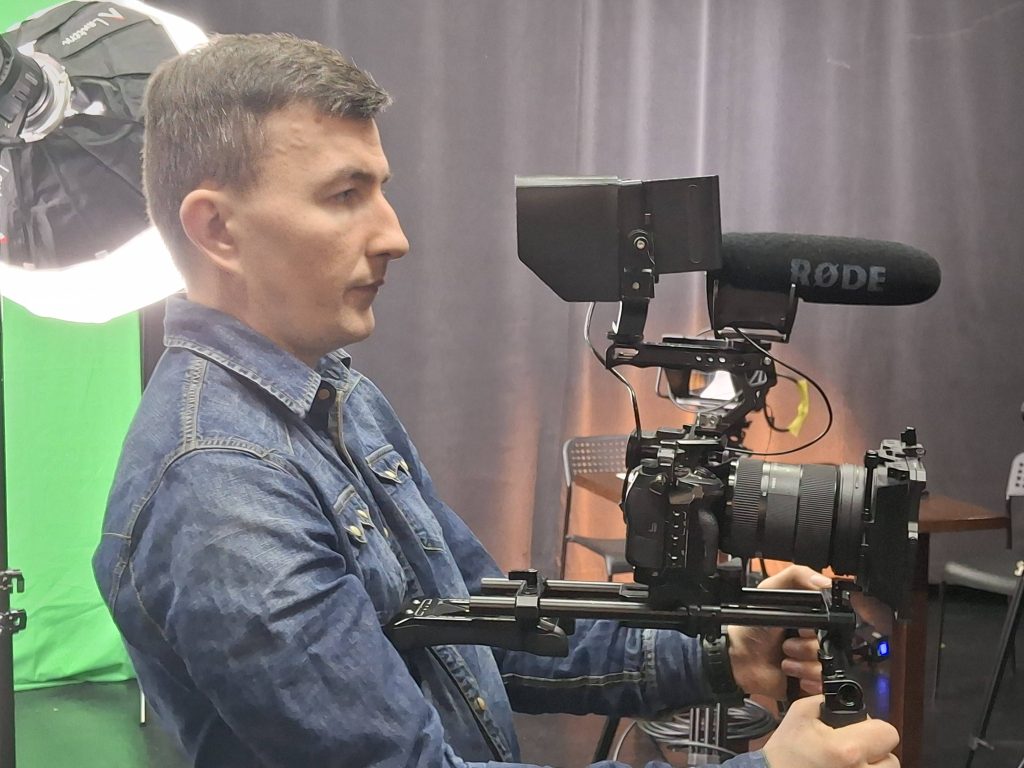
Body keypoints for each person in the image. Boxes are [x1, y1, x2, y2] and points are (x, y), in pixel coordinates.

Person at [93, 33, 900, 768]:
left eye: (380, 190)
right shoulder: (222, 489)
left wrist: (723, 654)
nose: (394, 235)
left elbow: (487, 635)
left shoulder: (337, 394)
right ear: (217, 229)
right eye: (344, 195)